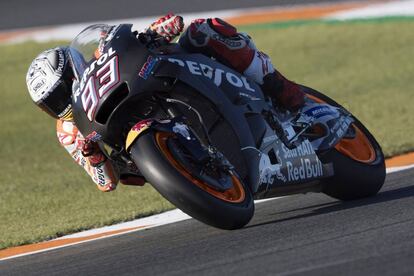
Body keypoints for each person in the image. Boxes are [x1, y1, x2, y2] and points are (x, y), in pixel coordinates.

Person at [26, 14, 305, 192]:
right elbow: (105, 182)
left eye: (60, 93)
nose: (60, 106)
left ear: (73, 68)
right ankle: (194, 169)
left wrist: (157, 30)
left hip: (170, 78)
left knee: (202, 31)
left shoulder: (101, 53)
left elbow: (137, 40)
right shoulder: (68, 131)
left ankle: (278, 85)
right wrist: (94, 156)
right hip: (150, 146)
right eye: (50, 103)